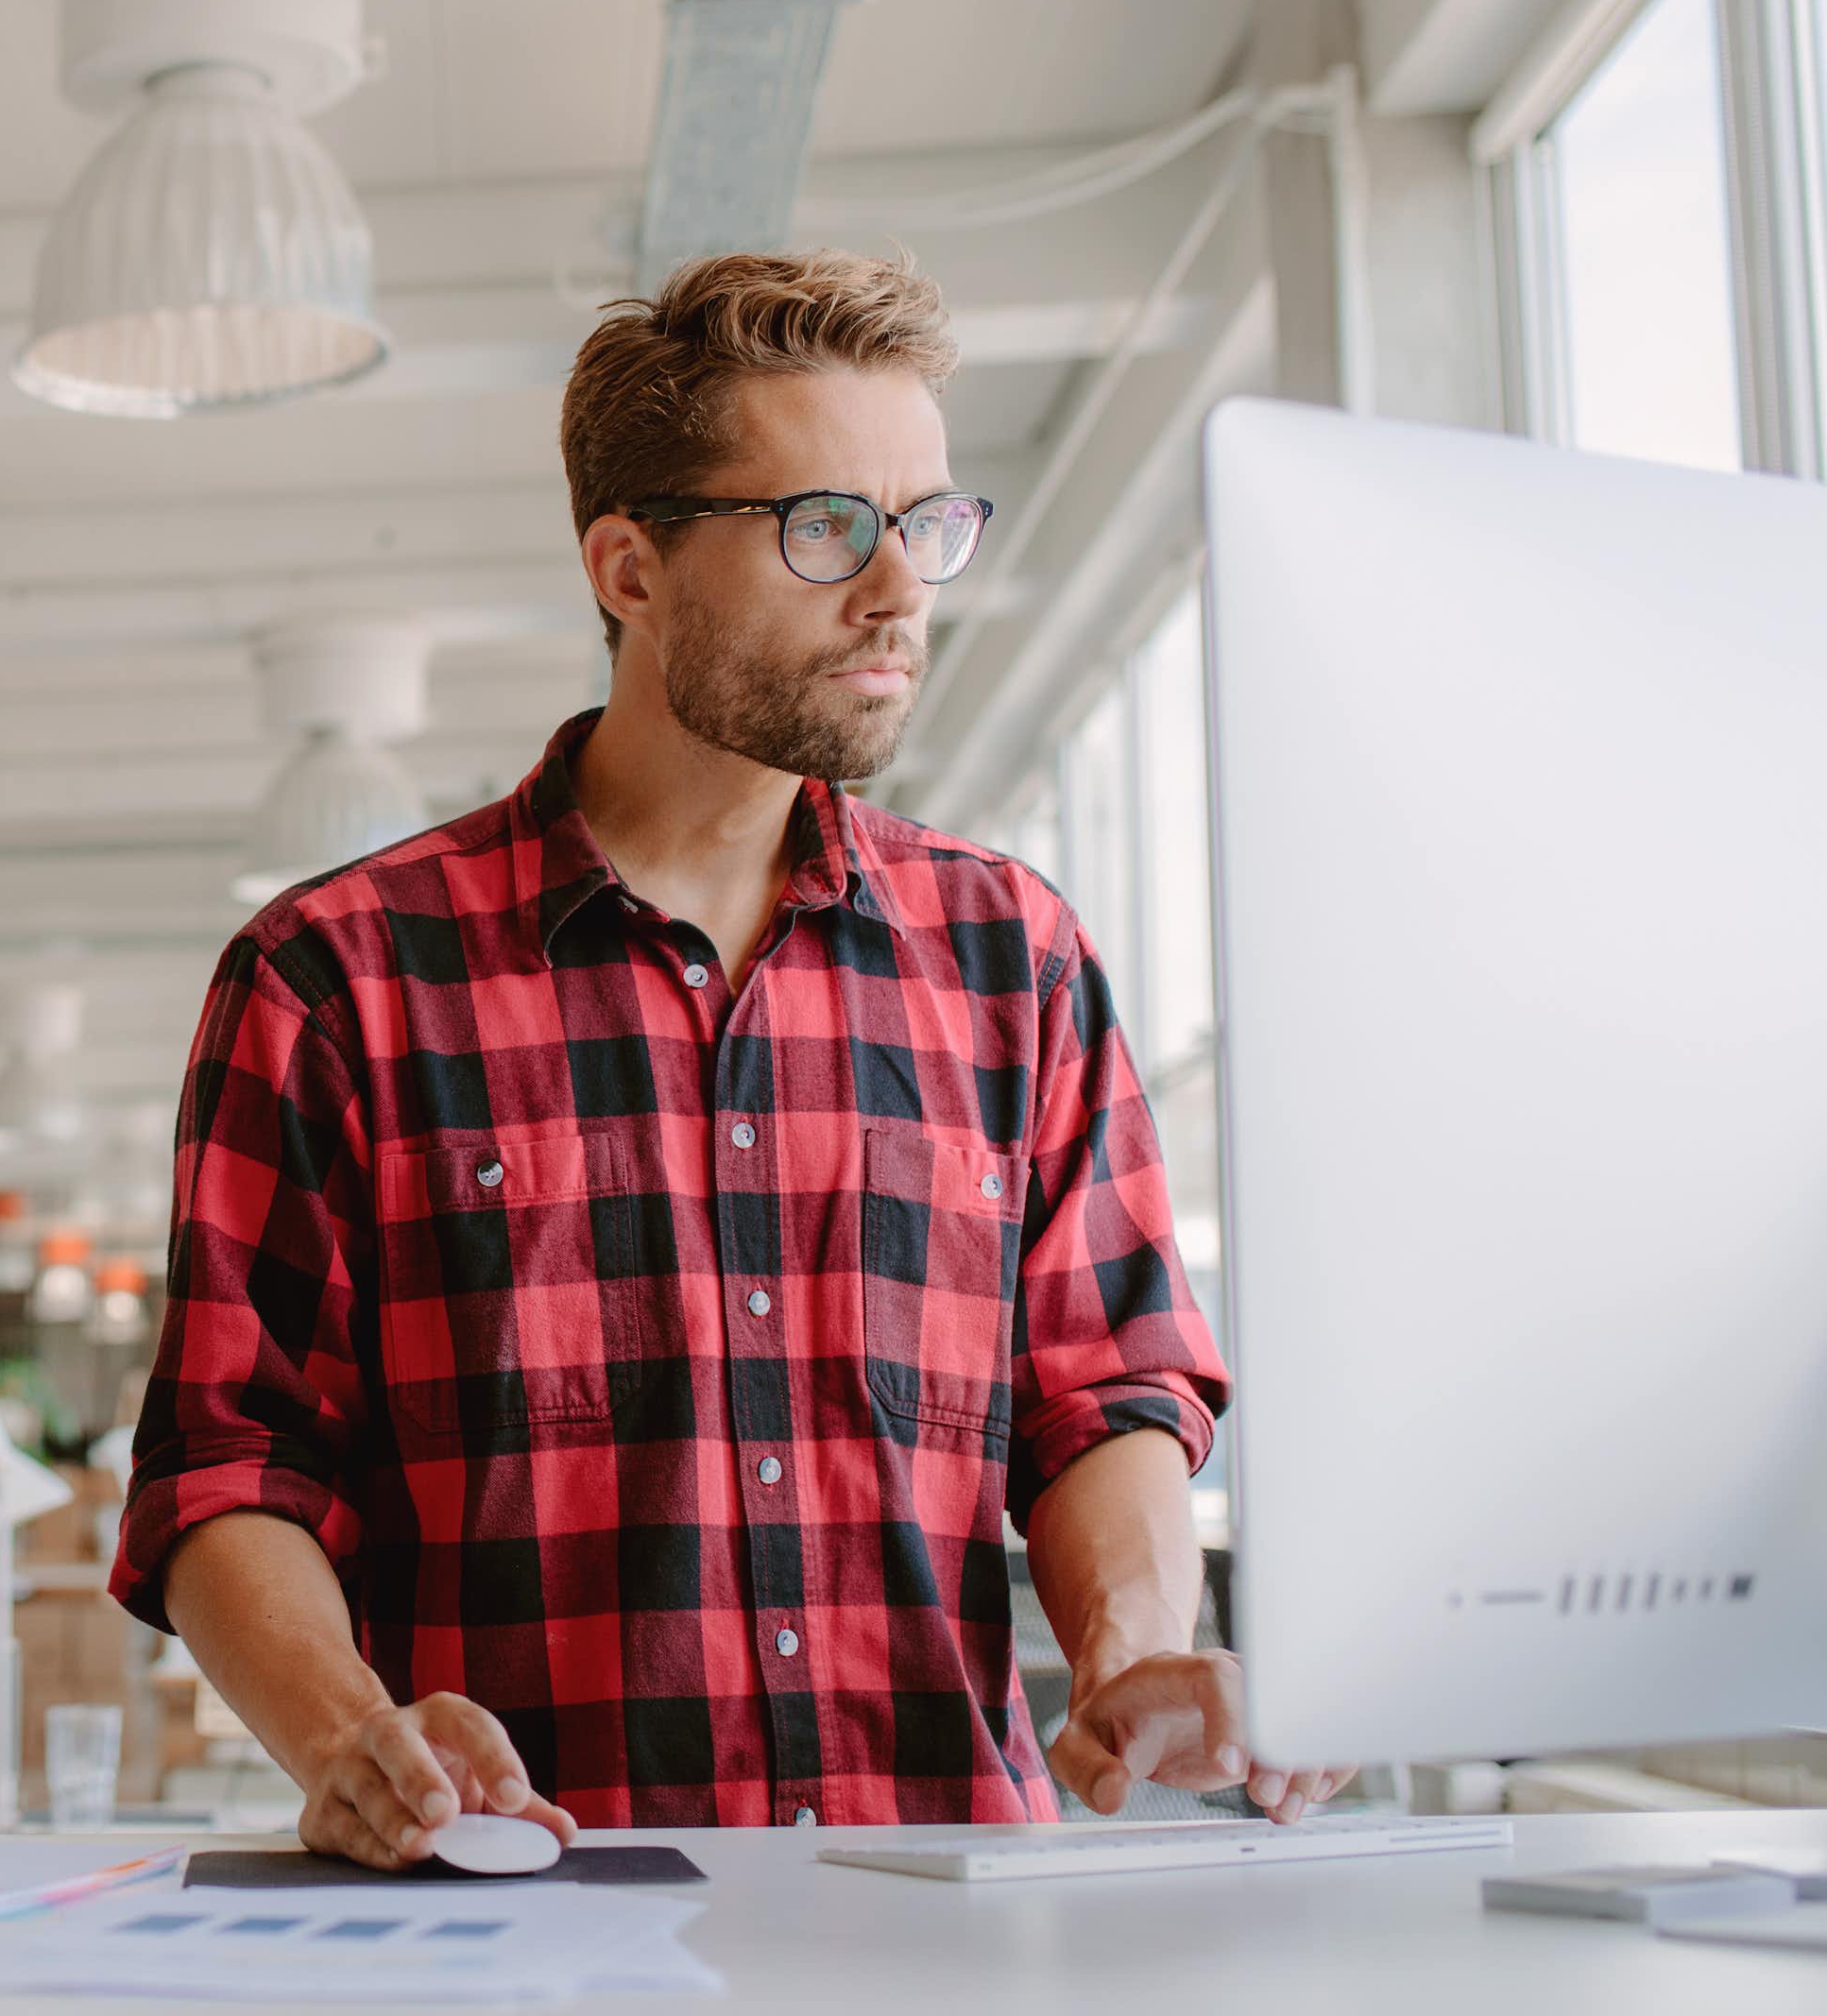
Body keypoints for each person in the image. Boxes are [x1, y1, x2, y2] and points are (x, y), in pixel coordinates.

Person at [112, 250, 1347, 1868]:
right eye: (826, 528)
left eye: (927, 526)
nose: (899, 590)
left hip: (941, 1926)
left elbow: (1102, 1385)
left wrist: (1129, 1655)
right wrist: (354, 1741)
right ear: (629, 566)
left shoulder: (1012, 959)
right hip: (525, 1925)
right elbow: (231, 1460)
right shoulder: (337, 978)